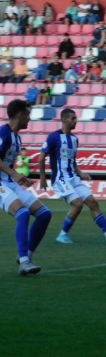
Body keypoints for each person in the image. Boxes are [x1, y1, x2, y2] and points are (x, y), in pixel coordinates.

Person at [39, 108, 106, 244]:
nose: (76, 120)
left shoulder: (74, 139)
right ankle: (62, 234)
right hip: (60, 179)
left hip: (73, 177)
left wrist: (81, 174)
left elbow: (72, 161)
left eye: (76, 118)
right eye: (73, 118)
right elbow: (41, 157)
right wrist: (43, 178)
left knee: (93, 202)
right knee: (78, 204)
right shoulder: (54, 137)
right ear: (64, 120)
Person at [0, 99, 53, 275]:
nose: (29, 119)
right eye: (28, 115)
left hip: (8, 181)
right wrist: (14, 174)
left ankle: (26, 256)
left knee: (45, 214)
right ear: (21, 115)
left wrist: (18, 177)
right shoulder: (3, 132)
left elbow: (6, 162)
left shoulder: (16, 137)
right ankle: (24, 262)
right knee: (22, 214)